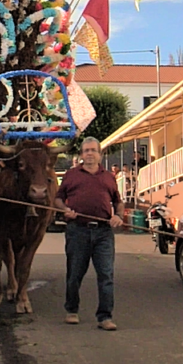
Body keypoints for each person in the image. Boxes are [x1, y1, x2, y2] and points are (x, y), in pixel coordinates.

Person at [56, 137, 125, 331]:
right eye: (86, 150)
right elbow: (58, 199)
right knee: (74, 273)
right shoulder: (71, 175)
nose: (89, 154)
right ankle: (71, 310)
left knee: (106, 275)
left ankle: (105, 317)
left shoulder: (108, 177)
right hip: (78, 230)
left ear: (100, 154)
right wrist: (64, 210)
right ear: (81, 155)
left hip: (103, 232)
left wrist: (119, 215)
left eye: (93, 150)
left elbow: (118, 201)